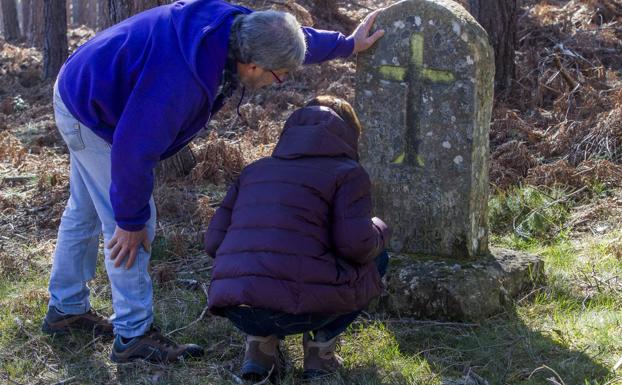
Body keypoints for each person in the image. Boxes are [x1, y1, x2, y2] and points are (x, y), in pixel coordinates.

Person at [42, 0, 385, 364]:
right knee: (131, 227)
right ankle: (133, 335)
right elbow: (132, 149)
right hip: (91, 111)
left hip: (88, 85)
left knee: (84, 211)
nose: (277, 82)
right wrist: (129, 220)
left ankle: (66, 309)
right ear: (252, 66)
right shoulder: (180, 78)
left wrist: (347, 44)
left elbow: (285, 39)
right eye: (278, 75)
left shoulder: (241, 29)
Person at [204, 95, 391, 380]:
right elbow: (356, 245)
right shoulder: (348, 174)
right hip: (301, 310)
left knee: (265, 266)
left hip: (237, 306)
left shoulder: (254, 171)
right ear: (348, 135)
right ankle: (320, 352)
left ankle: (260, 348)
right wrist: (380, 228)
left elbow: (213, 244)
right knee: (379, 256)